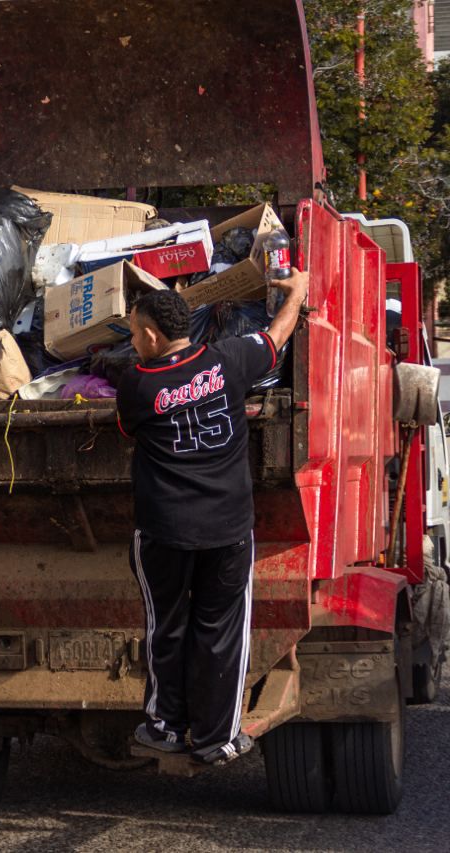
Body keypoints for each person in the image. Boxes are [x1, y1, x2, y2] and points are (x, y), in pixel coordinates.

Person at [116, 269, 308, 766]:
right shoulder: (229, 359)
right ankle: (216, 739)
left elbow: (128, 430)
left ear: (152, 336)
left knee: (166, 628)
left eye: (134, 333)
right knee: (221, 632)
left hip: (164, 533)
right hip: (227, 531)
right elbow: (276, 337)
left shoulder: (137, 384)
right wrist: (297, 294)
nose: (132, 342)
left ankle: (163, 727)